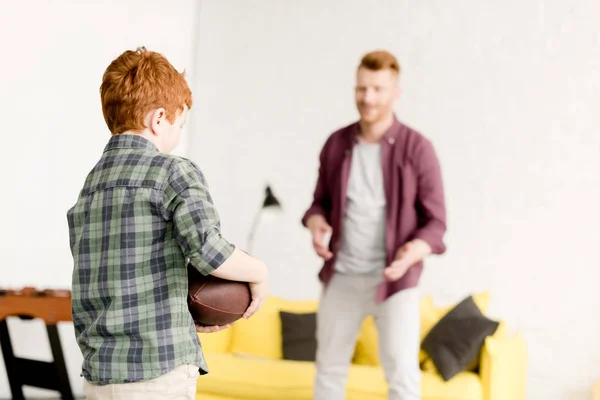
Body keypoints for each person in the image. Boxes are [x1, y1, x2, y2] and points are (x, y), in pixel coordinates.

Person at [67, 47, 269, 400]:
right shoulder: (173, 171)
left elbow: (114, 279)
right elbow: (209, 250)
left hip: (99, 374)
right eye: (180, 123)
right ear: (159, 118)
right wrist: (259, 271)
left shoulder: (91, 185)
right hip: (158, 372)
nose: (178, 135)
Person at [302, 50, 447, 400]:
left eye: (378, 89)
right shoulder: (336, 144)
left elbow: (437, 223)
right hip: (343, 277)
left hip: (396, 283)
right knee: (329, 371)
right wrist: (317, 224)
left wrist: (414, 250)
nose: (368, 98)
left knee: (402, 377)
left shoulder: (418, 148)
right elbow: (319, 203)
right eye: (362, 88)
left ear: (396, 93)